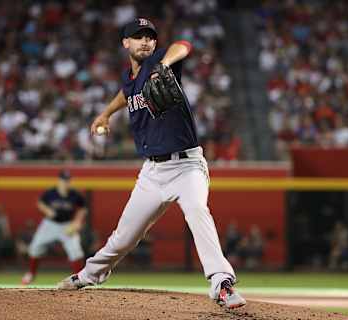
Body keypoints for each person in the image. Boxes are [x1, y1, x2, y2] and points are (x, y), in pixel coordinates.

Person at [57, 18, 246, 309]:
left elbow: (184, 45)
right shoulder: (129, 78)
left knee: (197, 211)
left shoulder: (158, 61)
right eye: (138, 36)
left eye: (149, 37)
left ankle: (221, 283)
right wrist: (106, 114)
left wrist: (164, 65)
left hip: (187, 166)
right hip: (153, 172)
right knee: (124, 237)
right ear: (126, 43)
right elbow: (127, 92)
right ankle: (88, 275)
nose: (145, 41)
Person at [21, 169, 87, 285]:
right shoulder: (51, 193)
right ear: (59, 181)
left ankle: (79, 279)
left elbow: (82, 208)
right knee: (35, 247)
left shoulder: (75, 195)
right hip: (50, 224)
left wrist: (77, 222)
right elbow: (40, 202)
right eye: (63, 180)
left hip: (67, 225)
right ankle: (31, 274)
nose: (65, 183)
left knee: (76, 251)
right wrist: (48, 211)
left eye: (67, 180)